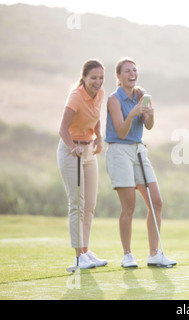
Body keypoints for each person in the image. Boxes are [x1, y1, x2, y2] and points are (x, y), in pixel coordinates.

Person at [105, 58, 176, 268]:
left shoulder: (141, 94)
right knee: (129, 207)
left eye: (134, 70)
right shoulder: (113, 99)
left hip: (138, 150)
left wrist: (149, 115)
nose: (131, 74)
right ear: (118, 76)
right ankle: (127, 255)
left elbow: (149, 126)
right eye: (127, 71)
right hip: (119, 151)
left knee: (157, 202)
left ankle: (154, 254)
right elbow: (121, 131)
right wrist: (133, 114)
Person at [57, 59, 108, 269]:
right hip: (71, 153)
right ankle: (79, 257)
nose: (98, 82)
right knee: (77, 205)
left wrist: (98, 136)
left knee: (89, 206)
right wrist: (72, 147)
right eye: (94, 78)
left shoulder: (101, 94)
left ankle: (86, 251)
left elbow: (95, 117)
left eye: (101, 78)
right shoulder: (76, 96)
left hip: (89, 152)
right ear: (84, 77)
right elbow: (63, 128)